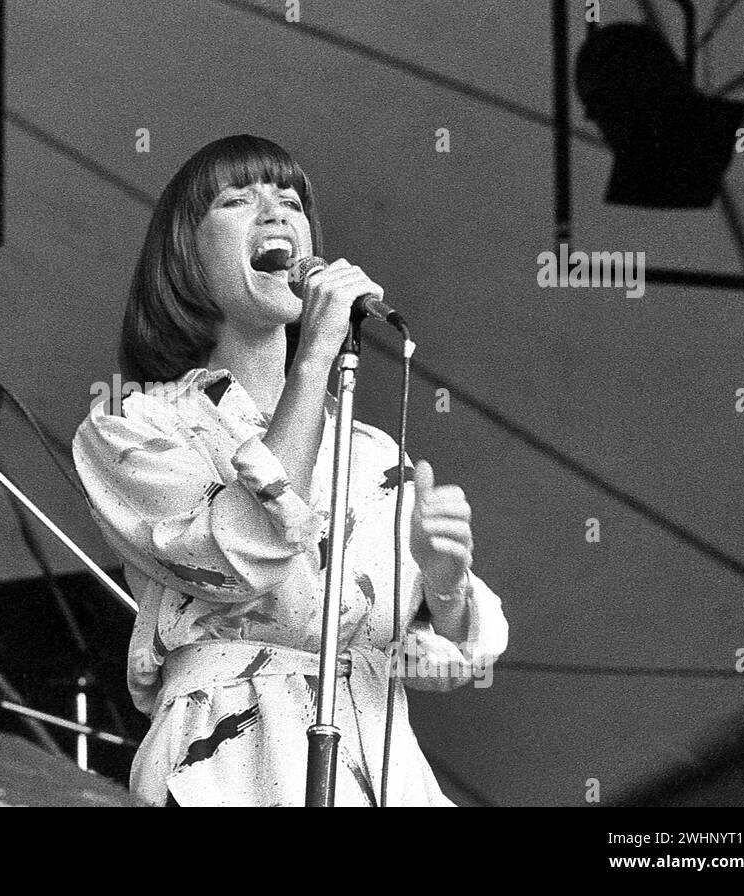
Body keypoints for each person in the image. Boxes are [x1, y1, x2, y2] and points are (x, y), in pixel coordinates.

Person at [72, 135, 508, 807]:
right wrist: (317, 357)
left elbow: (445, 659)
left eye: (291, 200)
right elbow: (237, 555)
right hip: (226, 768)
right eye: (238, 199)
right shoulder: (134, 428)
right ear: (185, 253)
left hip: (382, 774)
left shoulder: (371, 451)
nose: (276, 214)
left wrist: (445, 584)